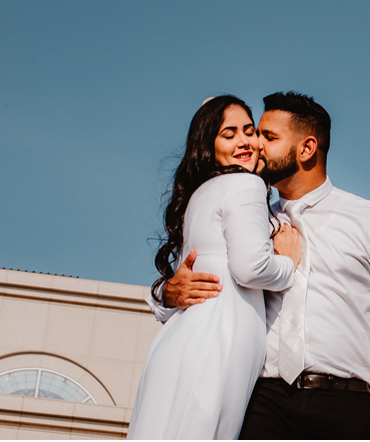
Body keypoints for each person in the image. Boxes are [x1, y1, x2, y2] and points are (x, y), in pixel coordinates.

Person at [154, 92, 370, 439]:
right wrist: (167, 292)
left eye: (268, 137)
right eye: (255, 134)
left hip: (344, 405)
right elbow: (190, 286)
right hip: (260, 401)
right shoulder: (247, 217)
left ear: (307, 148)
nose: (254, 145)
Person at [129, 96, 303, 439]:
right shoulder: (245, 184)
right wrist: (288, 263)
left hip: (186, 340)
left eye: (249, 131)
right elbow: (250, 268)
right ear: (209, 146)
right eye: (229, 134)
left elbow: (183, 283)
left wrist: (165, 292)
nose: (244, 142)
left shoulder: (199, 195)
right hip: (218, 343)